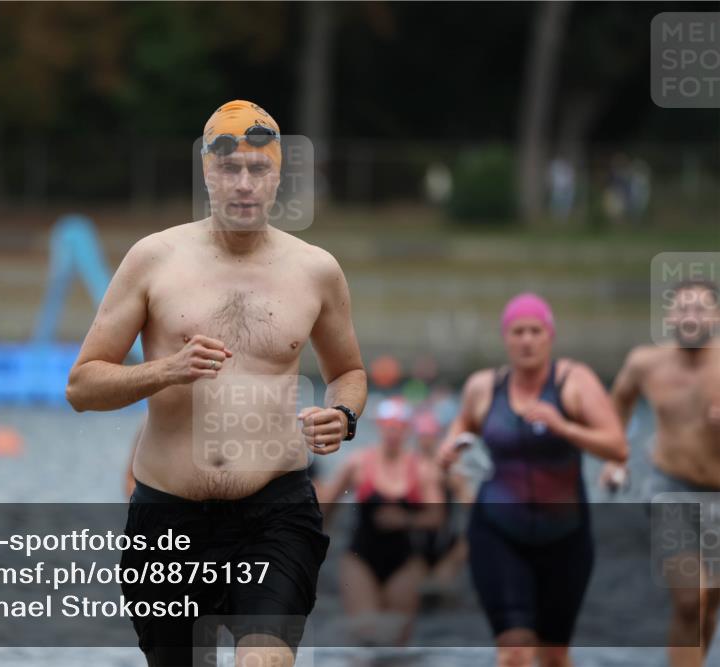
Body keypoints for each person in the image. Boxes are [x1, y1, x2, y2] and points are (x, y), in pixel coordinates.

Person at [66, 100, 367, 667]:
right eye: (230, 169)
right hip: (168, 518)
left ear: (278, 177)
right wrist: (166, 370)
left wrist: (344, 415)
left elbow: (348, 372)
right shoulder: (153, 259)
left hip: (275, 511)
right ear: (207, 172)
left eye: (259, 169)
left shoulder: (316, 270)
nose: (245, 184)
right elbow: (82, 386)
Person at [437, 293, 627, 667]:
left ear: (549, 336)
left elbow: (617, 447)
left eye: (535, 331)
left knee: (554, 655)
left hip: (566, 535)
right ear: (505, 338)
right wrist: (451, 444)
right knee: (515, 652)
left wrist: (564, 426)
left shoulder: (574, 381)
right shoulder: (484, 386)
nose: (526, 340)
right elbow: (464, 423)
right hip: (497, 530)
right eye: (517, 331)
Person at [600, 279, 720, 667]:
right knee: (690, 598)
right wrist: (615, 456)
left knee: (707, 607)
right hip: (669, 486)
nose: (691, 316)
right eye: (683, 308)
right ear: (669, 316)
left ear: (716, 316)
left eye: (700, 308)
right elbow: (616, 404)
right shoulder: (645, 363)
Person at [318, 398, 444, 644]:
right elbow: (328, 504)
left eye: (398, 426)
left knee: (397, 640)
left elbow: (437, 517)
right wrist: (317, 539)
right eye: (388, 425)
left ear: (407, 429)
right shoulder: (358, 463)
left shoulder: (422, 469)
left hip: (404, 560)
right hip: (360, 557)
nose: (393, 432)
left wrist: (406, 519)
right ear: (380, 427)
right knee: (366, 633)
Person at [410, 409, 470, 592]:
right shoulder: (409, 466)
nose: (426, 441)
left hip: (446, 541)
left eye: (430, 436)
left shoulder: (449, 469)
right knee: (418, 591)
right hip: (415, 542)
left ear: (437, 437)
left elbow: (468, 501)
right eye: (423, 436)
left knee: (441, 590)